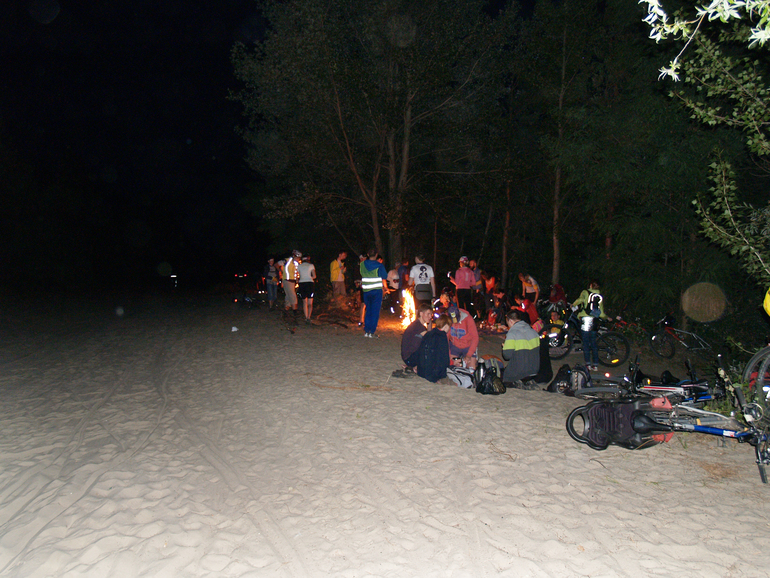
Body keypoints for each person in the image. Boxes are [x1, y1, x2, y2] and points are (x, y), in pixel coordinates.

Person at [571, 280, 609, 371]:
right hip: (594, 320)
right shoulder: (599, 295)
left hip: (586, 319)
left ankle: (588, 364)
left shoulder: (585, 292)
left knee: (586, 343)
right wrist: (606, 317)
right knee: (593, 343)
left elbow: (580, 300)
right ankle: (595, 365)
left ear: (591, 285)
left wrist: (573, 304)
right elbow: (601, 311)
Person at [501, 309, 541, 389]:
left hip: (520, 371)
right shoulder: (533, 332)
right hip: (534, 370)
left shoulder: (512, 333)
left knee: (502, 376)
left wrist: (504, 347)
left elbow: (507, 356)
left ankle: (517, 381)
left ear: (510, 321)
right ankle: (528, 380)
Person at [416, 313, 453, 383]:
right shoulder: (442, 336)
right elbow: (444, 357)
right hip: (432, 373)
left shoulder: (429, 333)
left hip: (421, 370)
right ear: (446, 326)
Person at [360, 248, 388, 338]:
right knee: (375, 311)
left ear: (368, 254)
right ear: (376, 255)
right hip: (376, 290)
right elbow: (384, 276)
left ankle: (366, 331)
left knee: (368, 310)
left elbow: (362, 273)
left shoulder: (362, 264)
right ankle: (372, 332)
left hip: (366, 290)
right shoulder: (379, 265)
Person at [401, 303, 434, 370]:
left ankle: (414, 366)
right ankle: (416, 367)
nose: (430, 316)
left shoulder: (417, 325)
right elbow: (429, 339)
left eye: (431, 314)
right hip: (410, 358)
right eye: (428, 314)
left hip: (408, 357)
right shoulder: (419, 327)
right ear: (421, 314)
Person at [446, 302, 479, 369]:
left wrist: (469, 354)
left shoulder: (468, 319)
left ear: (460, 314)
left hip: (468, 345)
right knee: (451, 366)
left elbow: (475, 338)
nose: (455, 322)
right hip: (455, 345)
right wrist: (448, 355)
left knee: (471, 368)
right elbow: (445, 338)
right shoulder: (446, 320)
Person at [297, 255, 316, 323]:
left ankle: (306, 317)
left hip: (302, 283)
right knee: (310, 302)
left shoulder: (299, 266)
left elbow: (297, 276)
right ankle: (309, 317)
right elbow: (314, 276)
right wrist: (310, 277)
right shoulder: (311, 265)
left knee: (304, 302)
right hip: (310, 283)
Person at [281, 250, 301, 315]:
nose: (298, 259)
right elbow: (277, 265)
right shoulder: (286, 261)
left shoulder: (297, 263)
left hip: (293, 281)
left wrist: (297, 279)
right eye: (297, 257)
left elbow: (296, 272)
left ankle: (286, 309)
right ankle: (295, 311)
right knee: (293, 295)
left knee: (288, 295)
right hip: (287, 280)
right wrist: (281, 272)